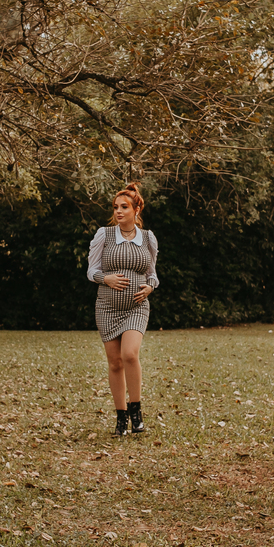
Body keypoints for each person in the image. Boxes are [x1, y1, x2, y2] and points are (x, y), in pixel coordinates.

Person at [86, 183, 159, 436]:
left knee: (129, 354)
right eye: (115, 207)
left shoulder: (148, 238)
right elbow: (91, 271)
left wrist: (150, 287)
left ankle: (136, 410)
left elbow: (152, 274)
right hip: (107, 307)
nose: (118, 211)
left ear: (136, 210)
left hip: (137, 307)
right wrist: (105, 278)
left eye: (124, 207)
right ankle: (121, 417)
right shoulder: (104, 235)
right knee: (115, 363)